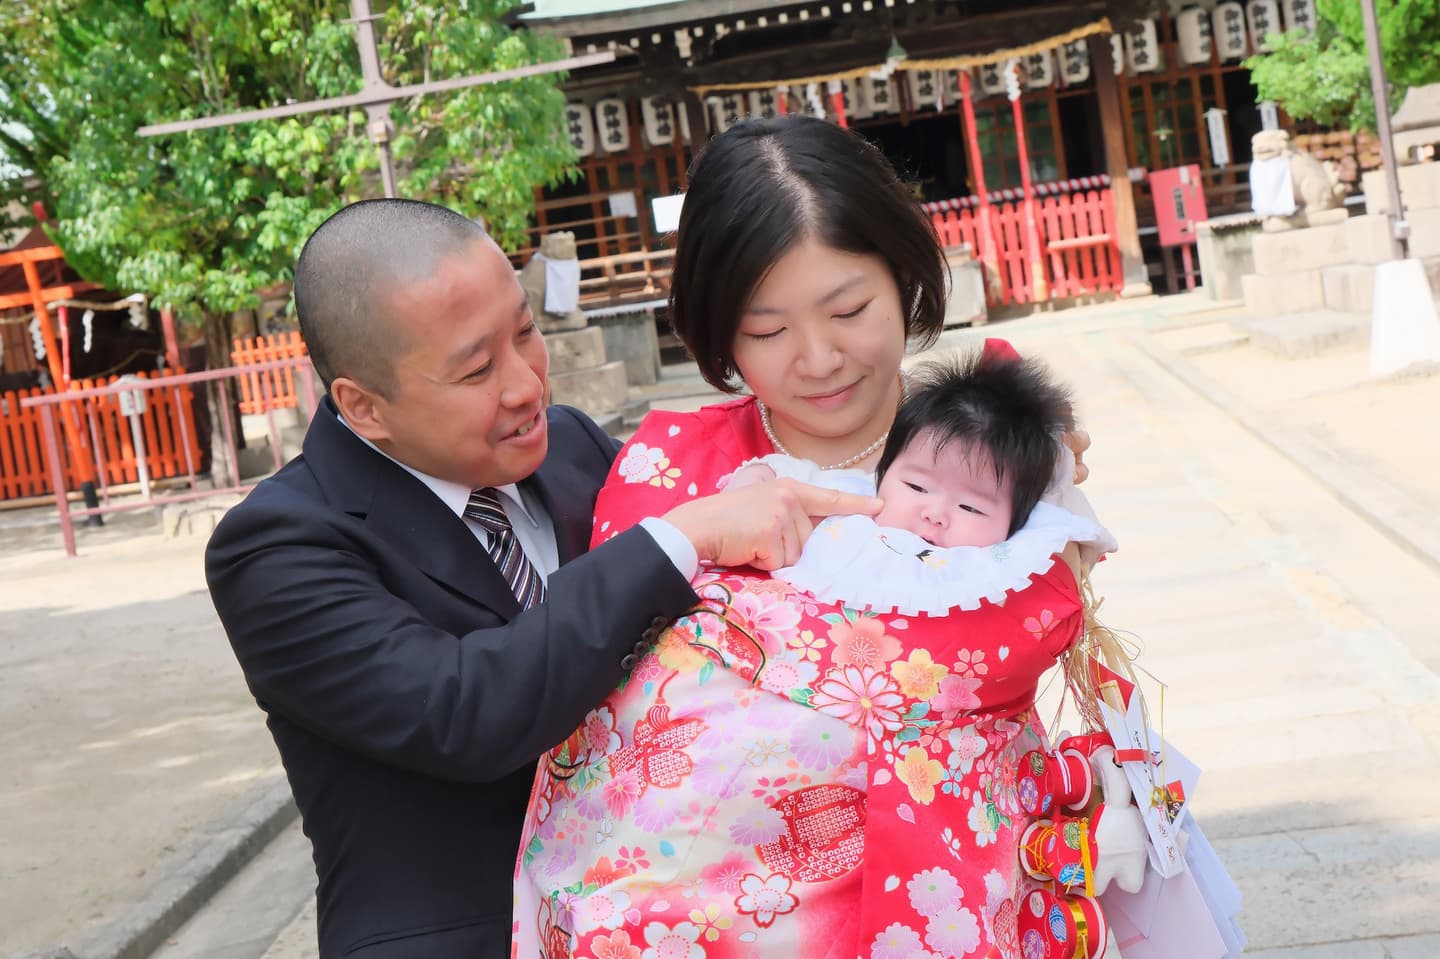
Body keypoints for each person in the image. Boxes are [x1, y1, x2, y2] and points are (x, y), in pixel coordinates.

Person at [204, 198, 879, 959]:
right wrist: (680, 535)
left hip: (654, 921)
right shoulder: (276, 546)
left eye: (526, 332)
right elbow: (464, 709)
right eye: (475, 369)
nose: (526, 384)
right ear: (364, 406)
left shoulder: (575, 453)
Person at [512, 116, 1102, 959]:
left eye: (849, 308)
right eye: (766, 329)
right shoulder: (670, 470)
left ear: (904, 277)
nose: (818, 357)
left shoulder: (989, 452)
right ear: (716, 330)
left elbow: (1013, 643)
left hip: (944, 894)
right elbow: (627, 719)